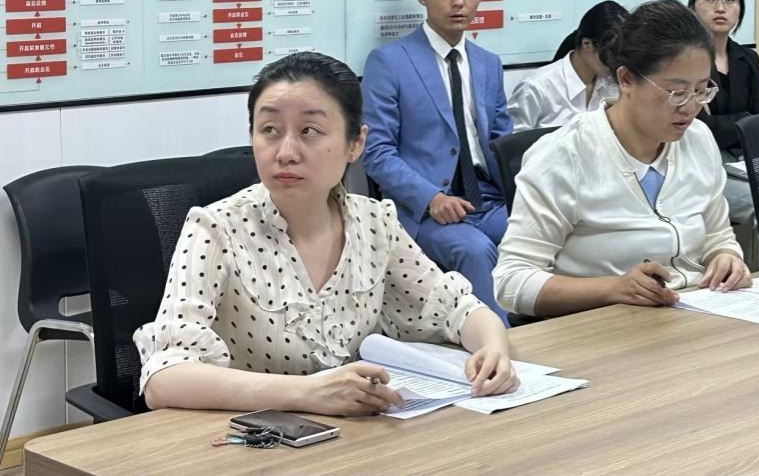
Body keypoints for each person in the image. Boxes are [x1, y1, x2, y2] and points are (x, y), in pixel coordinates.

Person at [133, 52, 517, 415]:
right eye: (269, 130)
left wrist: (494, 349)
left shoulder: (374, 222)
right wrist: (310, 393)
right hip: (258, 440)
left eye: (310, 131)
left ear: (356, 143)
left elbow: (459, 309)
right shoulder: (215, 228)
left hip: (354, 435)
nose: (285, 152)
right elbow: (164, 378)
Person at [493, 0, 751, 319]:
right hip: (601, 327)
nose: (690, 107)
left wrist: (726, 257)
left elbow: (718, 236)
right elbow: (511, 283)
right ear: (627, 79)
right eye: (676, 92)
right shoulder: (565, 155)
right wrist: (613, 288)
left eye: (701, 90)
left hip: (692, 317)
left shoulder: (697, 139)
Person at [362, 0, 512, 326]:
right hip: (425, 208)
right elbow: (376, 151)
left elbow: (502, 142)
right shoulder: (389, 62)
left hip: (487, 199)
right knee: (475, 250)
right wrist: (431, 198)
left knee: (544, 229)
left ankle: (559, 332)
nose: (458, 2)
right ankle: (499, 343)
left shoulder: (488, 64)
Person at [687, 0, 759, 269]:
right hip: (705, 163)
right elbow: (701, 128)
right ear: (692, 7)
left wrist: (733, 121)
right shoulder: (687, 61)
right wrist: (744, 118)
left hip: (746, 160)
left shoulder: (747, 58)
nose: (720, 7)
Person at [507, 0, 627, 131]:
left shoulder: (611, 83)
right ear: (587, 44)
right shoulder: (536, 88)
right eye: (610, 56)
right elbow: (512, 142)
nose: (615, 65)